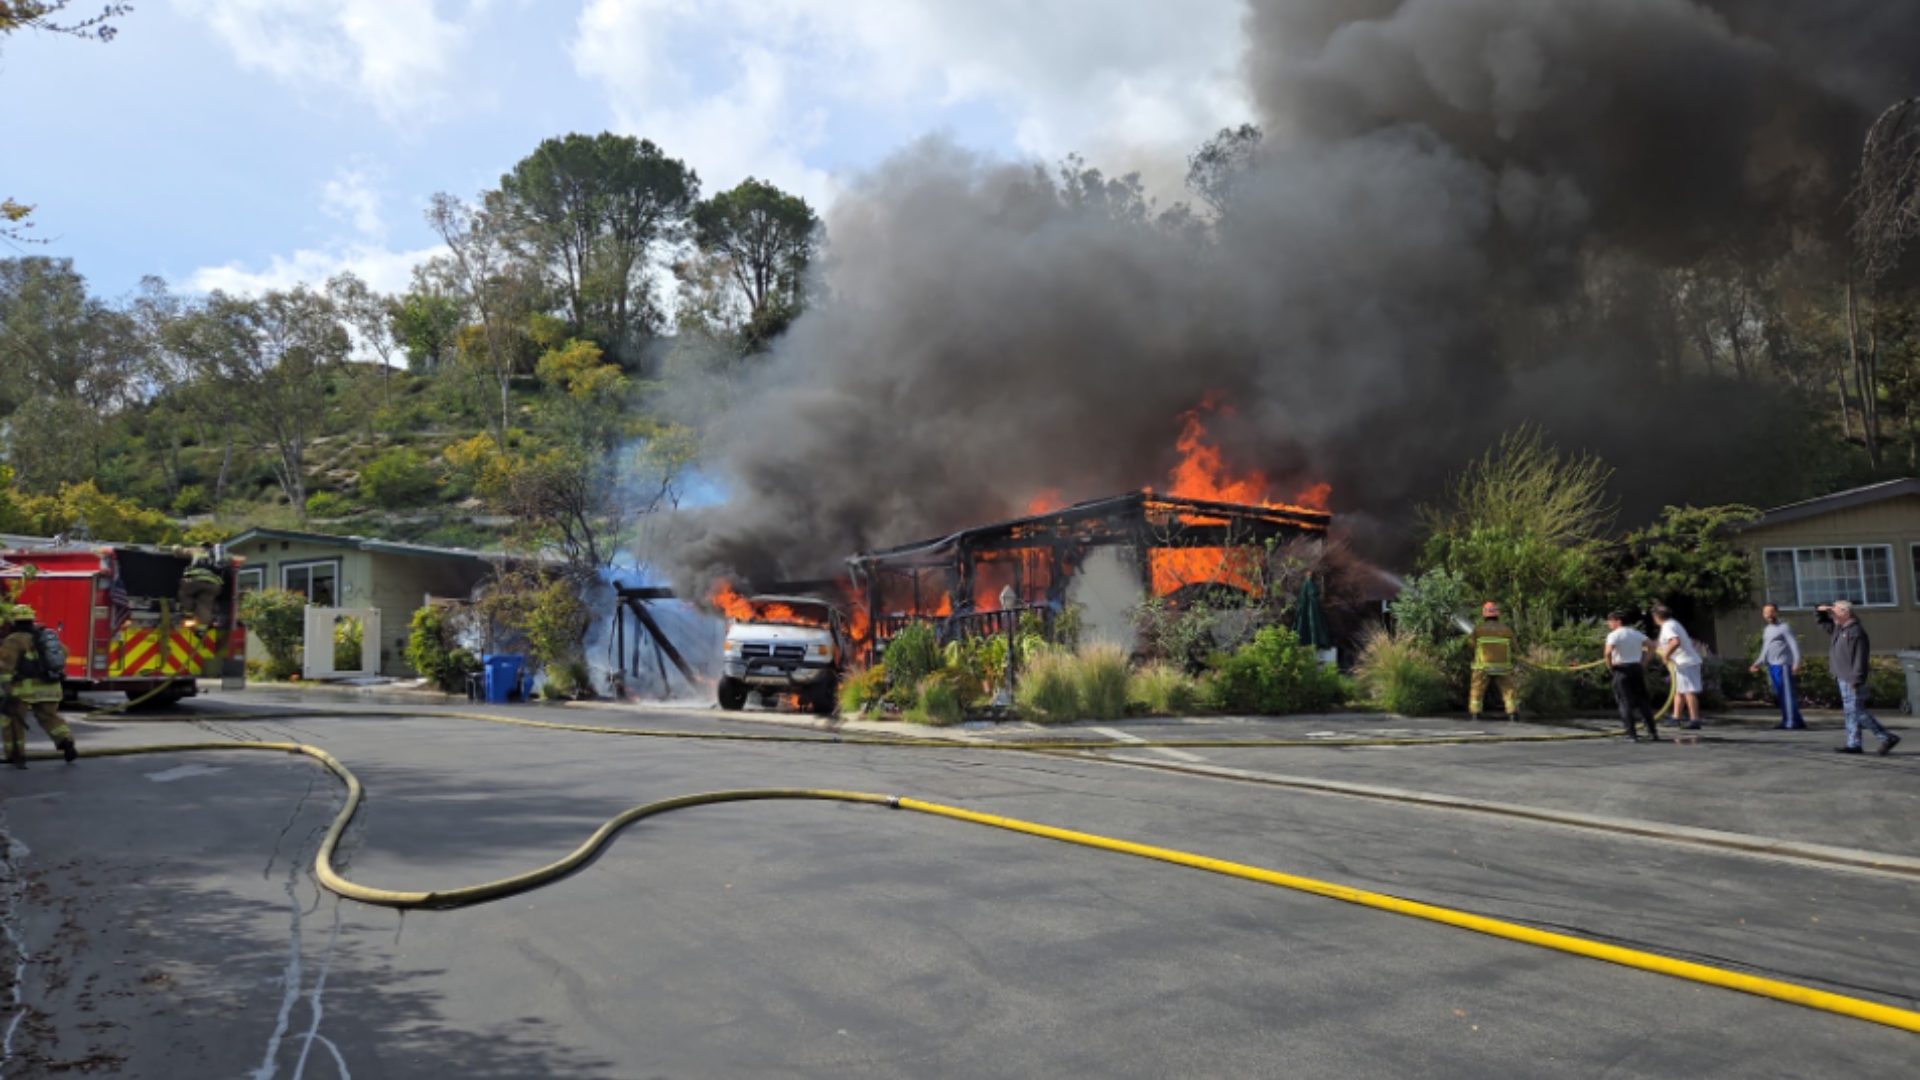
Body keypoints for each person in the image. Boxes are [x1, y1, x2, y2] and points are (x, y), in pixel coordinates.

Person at [1815, 600, 1901, 756]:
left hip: (1851, 678)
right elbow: (1823, 623)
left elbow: (1860, 657)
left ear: (1845, 613)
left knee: (1856, 712)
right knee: (1851, 712)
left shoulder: (1855, 632)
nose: (1833, 615)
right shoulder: (1839, 629)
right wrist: (1821, 611)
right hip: (1842, 676)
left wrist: (1857, 678)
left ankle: (1887, 737)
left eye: (1835, 612)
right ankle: (1853, 743)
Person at [0, 604, 77, 768]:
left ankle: (16, 755)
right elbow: (65, 652)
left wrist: (6, 686)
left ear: (14, 621)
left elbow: (7, 666)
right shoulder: (45, 636)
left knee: (14, 722)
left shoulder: (13, 640)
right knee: (50, 718)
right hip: (50, 686)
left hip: (23, 689)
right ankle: (66, 741)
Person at [1749, 603, 1807, 730]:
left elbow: (1794, 646)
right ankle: (1796, 720)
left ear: (1777, 612)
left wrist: (1797, 663)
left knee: (1786, 694)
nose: (1769, 615)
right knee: (1780, 694)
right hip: (1772, 665)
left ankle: (1791, 721)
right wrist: (1758, 663)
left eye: (1771, 612)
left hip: (1784, 665)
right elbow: (1765, 648)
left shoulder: (1784, 628)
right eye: (1766, 613)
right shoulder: (1767, 629)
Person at [1604, 611, 1659, 742]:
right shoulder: (1636, 633)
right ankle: (1652, 732)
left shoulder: (1614, 635)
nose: (1608, 623)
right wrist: (1644, 662)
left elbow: (1607, 652)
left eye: (1610, 621)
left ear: (1618, 621)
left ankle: (1631, 733)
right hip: (1636, 668)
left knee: (1624, 702)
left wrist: (1610, 665)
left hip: (1621, 668)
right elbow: (1652, 646)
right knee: (1643, 701)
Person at [1652, 604, 1705, 730]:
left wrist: (1665, 655)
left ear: (1656, 617)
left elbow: (1675, 641)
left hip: (1685, 662)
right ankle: (1676, 717)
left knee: (1688, 691)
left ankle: (1694, 719)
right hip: (1682, 662)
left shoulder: (1667, 626)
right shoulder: (1672, 623)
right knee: (1679, 691)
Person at [1468, 600, 1519, 722]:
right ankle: (1512, 714)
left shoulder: (1479, 629)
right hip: (1503, 666)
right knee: (1508, 690)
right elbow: (1515, 646)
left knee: (1477, 689)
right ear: (1497, 614)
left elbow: (1471, 644)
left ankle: (1475, 714)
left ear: (1484, 614)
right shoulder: (1506, 629)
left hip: (1482, 666)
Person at [172, 543, 228, 626]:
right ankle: (201, 629)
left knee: (184, 593)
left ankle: (188, 613)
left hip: (195, 581)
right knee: (205, 605)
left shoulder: (196, 550)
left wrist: (175, 546)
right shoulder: (218, 556)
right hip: (213, 585)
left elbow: (178, 552)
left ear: (201, 546)